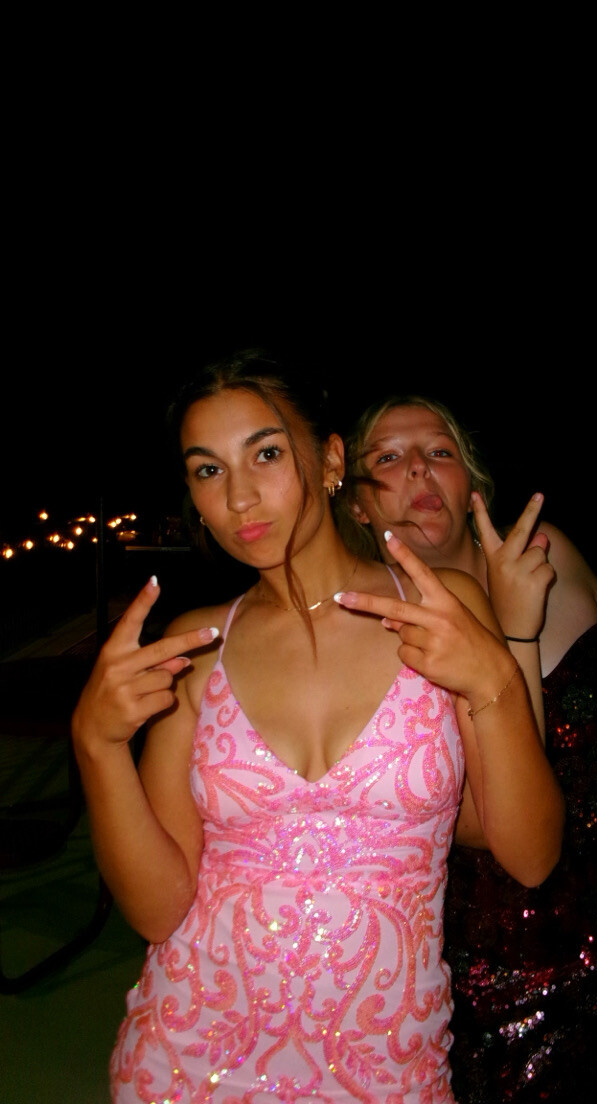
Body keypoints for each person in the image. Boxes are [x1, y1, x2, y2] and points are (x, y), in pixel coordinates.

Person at [70, 351, 564, 1104]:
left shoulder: (442, 607)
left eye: (266, 454)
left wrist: (494, 679)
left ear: (332, 460)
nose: (239, 496)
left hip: (389, 1066)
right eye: (207, 470)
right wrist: (97, 743)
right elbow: (158, 909)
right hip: (186, 1059)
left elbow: (530, 857)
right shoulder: (197, 647)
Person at [337, 394, 597, 1104]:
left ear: (471, 484)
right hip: (509, 943)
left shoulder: (547, 552)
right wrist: (516, 630)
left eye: (440, 451)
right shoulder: (371, 631)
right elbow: (497, 805)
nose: (419, 468)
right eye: (388, 458)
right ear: (359, 508)